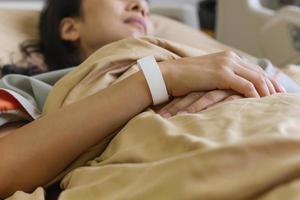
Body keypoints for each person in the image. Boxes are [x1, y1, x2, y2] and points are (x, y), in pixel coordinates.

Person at [0, 0, 285, 198]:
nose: (141, 5)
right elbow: (6, 166)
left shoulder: (223, 60)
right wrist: (158, 79)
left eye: (146, 5)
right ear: (70, 28)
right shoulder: (33, 87)